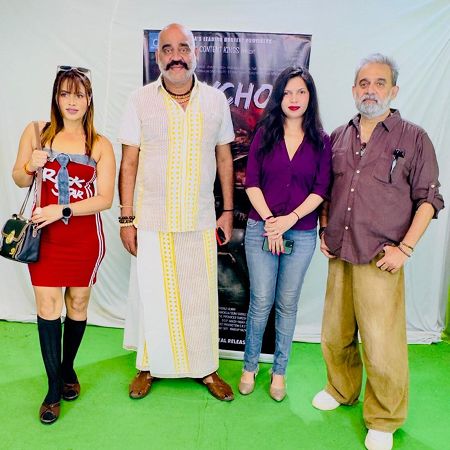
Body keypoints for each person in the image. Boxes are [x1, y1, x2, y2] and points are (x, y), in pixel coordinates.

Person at [312, 54, 444, 450]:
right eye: (364, 83)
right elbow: (326, 190)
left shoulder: (414, 138)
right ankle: (341, 389)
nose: (371, 90)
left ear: (394, 90)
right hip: (340, 251)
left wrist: (405, 248)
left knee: (382, 343)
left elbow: (429, 200)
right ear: (354, 89)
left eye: (380, 83)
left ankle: (384, 418)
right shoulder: (338, 136)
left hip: (381, 258)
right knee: (335, 334)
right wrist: (323, 226)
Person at [118, 23, 235, 401]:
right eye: (167, 49)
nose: (176, 56)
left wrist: (227, 210)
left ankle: (206, 368)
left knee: (200, 299)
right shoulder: (139, 100)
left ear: (195, 54)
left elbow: (224, 157)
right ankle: (148, 366)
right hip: (151, 218)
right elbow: (129, 162)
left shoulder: (215, 101)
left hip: (199, 218)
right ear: (157, 57)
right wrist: (126, 218)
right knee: (153, 297)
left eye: (183, 48)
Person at [12, 66, 116, 424]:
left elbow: (105, 199)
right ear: (56, 98)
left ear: (89, 100)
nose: (72, 101)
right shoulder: (36, 131)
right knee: (47, 305)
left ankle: (68, 367)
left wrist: (63, 209)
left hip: (84, 238)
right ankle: (54, 387)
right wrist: (31, 164)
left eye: (79, 95)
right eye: (65, 94)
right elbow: (18, 177)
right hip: (44, 236)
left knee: (78, 303)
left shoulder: (99, 144)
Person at [239, 67, 332, 401]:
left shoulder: (322, 140)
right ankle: (249, 367)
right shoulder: (265, 134)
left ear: (310, 97)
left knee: (287, 304)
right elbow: (252, 183)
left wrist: (288, 220)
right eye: (288, 92)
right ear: (279, 97)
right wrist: (271, 221)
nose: (294, 99)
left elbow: (320, 190)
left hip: (301, 233)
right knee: (261, 301)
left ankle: (279, 372)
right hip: (261, 229)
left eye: (301, 92)